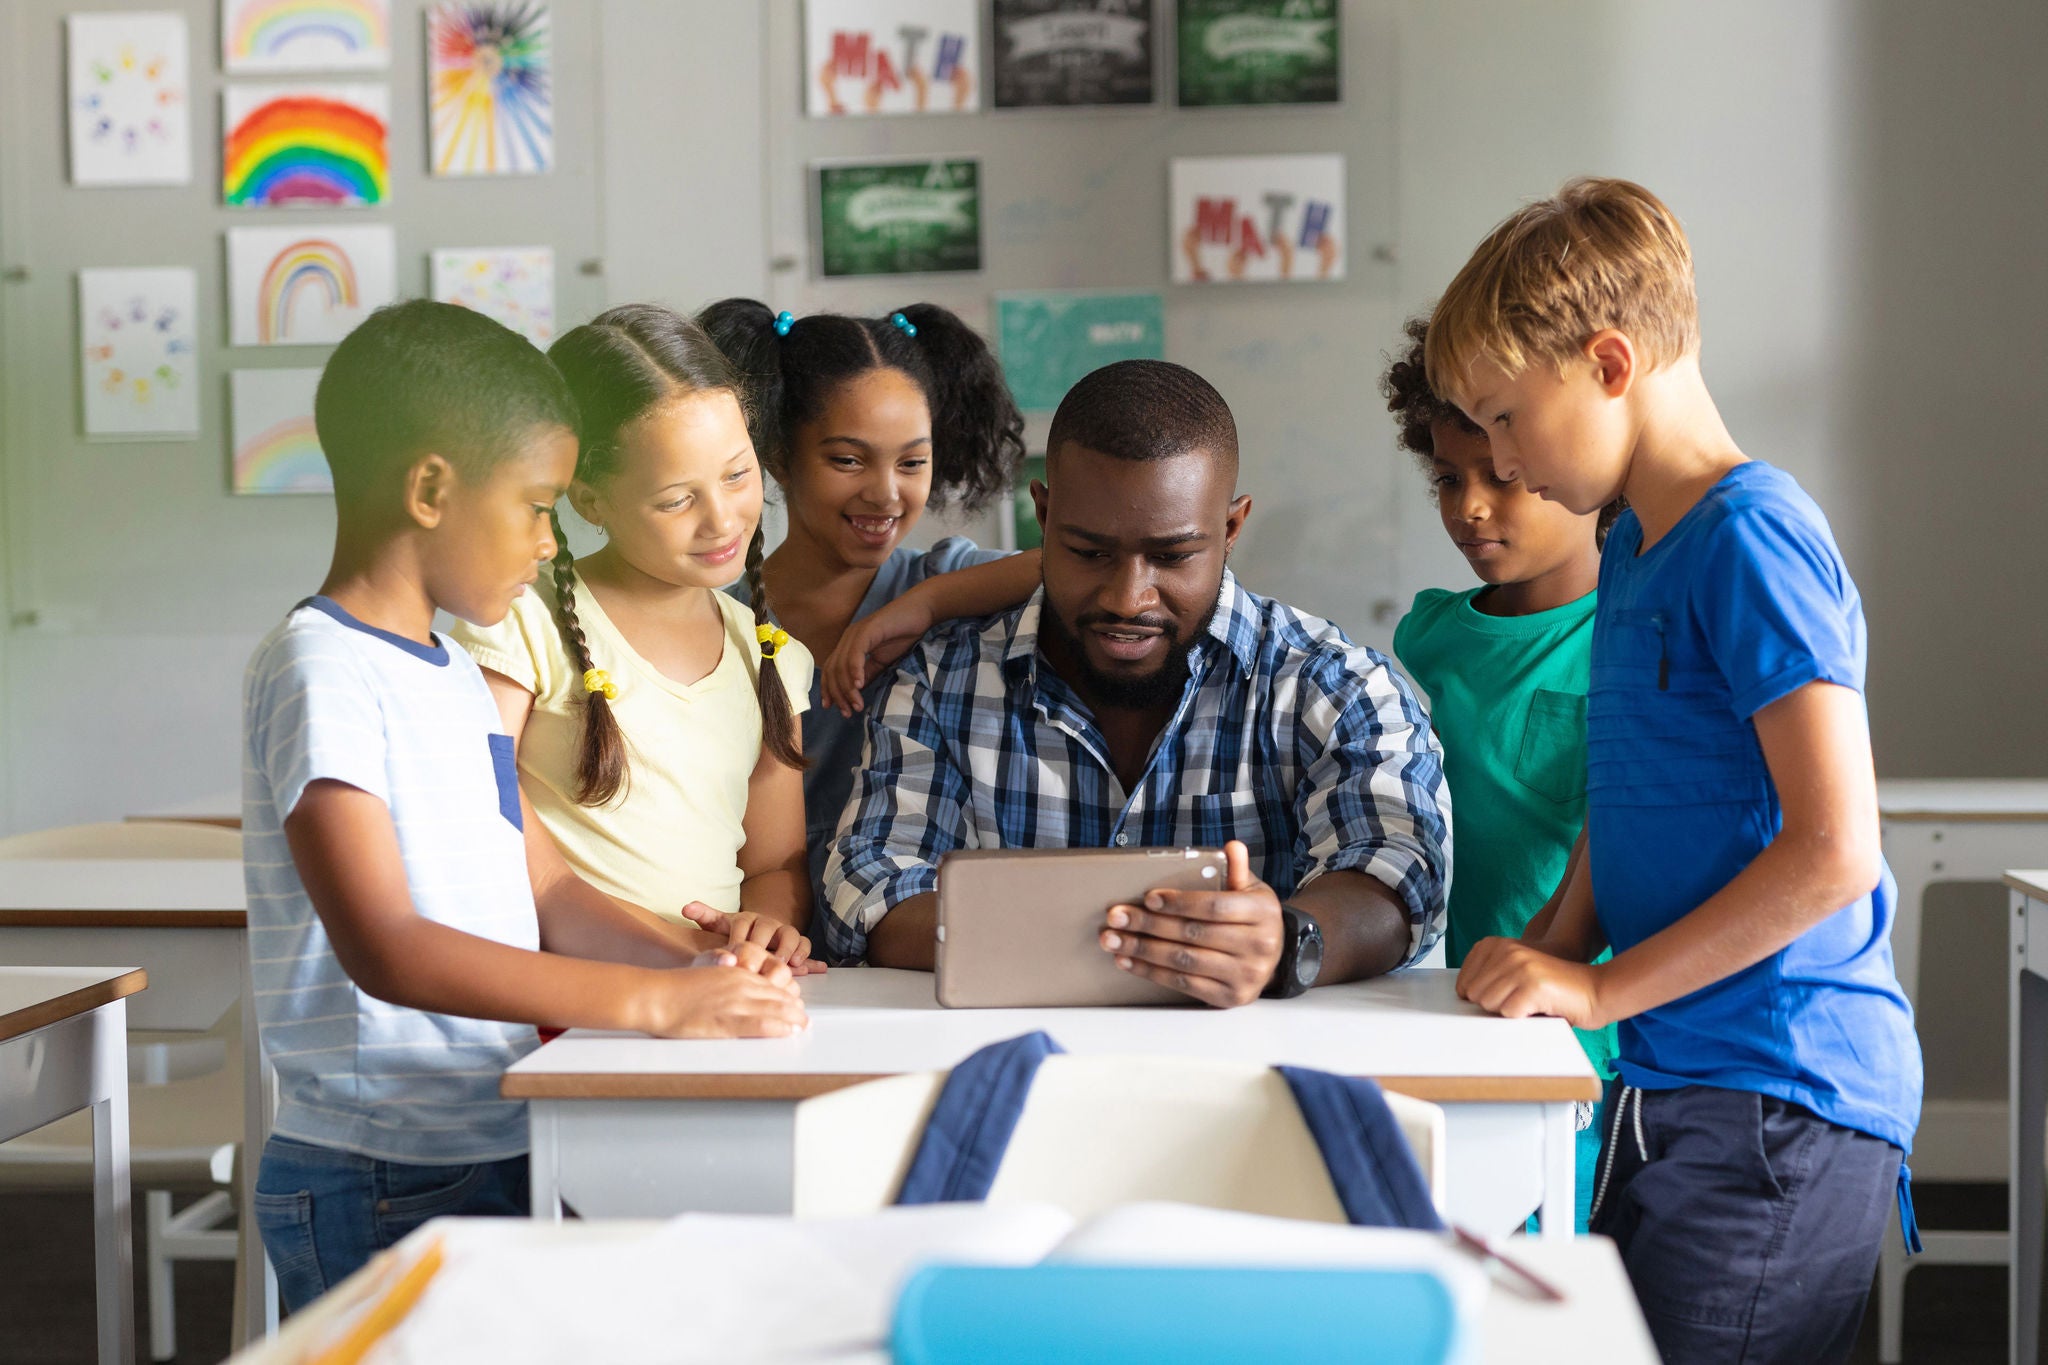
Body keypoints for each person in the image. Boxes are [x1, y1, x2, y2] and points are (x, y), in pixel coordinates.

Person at [1436, 177, 1921, 1362]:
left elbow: (1832, 850)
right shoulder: (1633, 548)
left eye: (1504, 418)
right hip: (1672, 1083)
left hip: (1780, 1099)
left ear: (1608, 365)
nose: (1497, 458)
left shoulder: (1750, 535)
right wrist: (1555, 940)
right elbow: (1630, 792)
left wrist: (1598, 993)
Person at [242, 301, 805, 1307]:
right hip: (378, 1170)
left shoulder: (452, 672)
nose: (550, 543)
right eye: (537, 505)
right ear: (429, 490)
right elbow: (387, 947)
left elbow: (541, 883)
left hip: (499, 1127)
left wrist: (698, 960)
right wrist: (655, 1003)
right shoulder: (320, 668)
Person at [825, 359, 1451, 1006]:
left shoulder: (1336, 686)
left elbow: (1400, 869)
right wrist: (1116, 942)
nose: (1129, 598)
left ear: (1232, 527)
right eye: (1090, 553)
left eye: (1173, 556)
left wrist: (1287, 940)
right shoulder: (943, 679)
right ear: (1042, 513)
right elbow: (866, 884)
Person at [450, 305, 816, 968]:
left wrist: (765, 931)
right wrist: (674, 948)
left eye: (738, 474)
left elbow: (775, 861)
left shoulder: (767, 654)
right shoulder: (520, 618)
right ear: (590, 501)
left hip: (717, 988)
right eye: (677, 499)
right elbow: (477, 811)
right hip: (569, 990)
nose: (722, 518)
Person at [700, 299, 1042, 942]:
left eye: (912, 463)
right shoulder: (715, 621)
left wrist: (927, 604)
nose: (887, 493)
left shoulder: (946, 583)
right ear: (777, 455)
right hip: (761, 944)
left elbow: (1090, 562)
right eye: (848, 461)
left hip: (908, 945)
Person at [1383, 313, 1618, 1232]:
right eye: (1448, 477)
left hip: (1596, 1034)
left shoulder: (1627, 638)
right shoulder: (1432, 634)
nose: (1468, 506)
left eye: (1504, 478)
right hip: (1464, 1006)